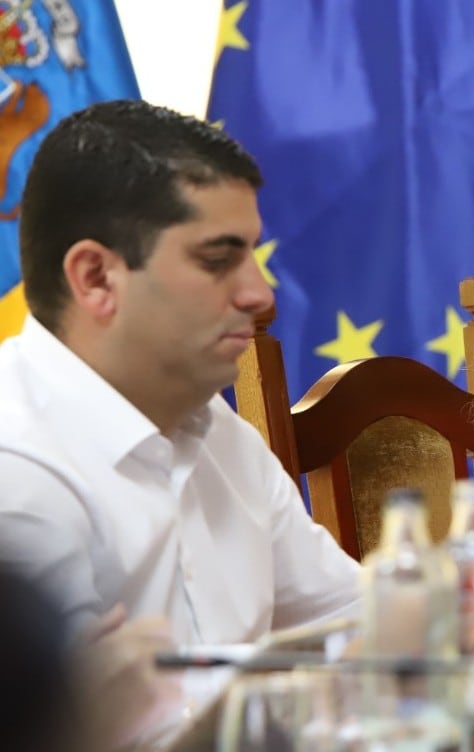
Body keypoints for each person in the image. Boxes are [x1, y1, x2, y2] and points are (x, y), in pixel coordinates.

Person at [0, 100, 360, 647]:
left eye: (253, 256)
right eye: (218, 260)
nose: (260, 295)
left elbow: (355, 625)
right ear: (96, 278)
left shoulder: (213, 425)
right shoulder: (16, 468)